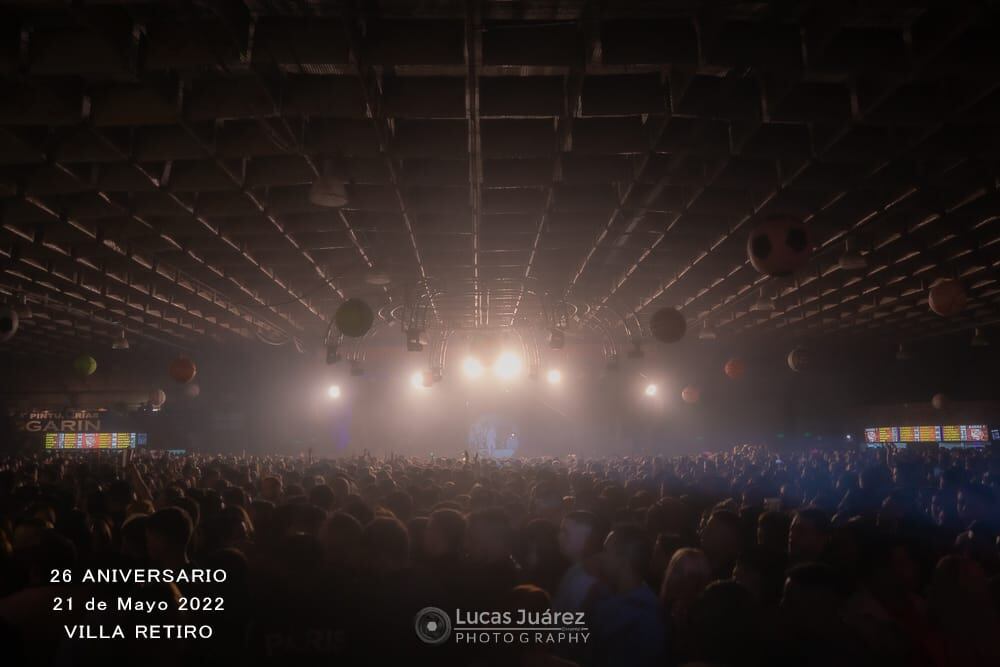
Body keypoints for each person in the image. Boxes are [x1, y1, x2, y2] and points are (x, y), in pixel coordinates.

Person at [590, 524, 666, 667]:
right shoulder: (610, 596)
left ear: (623, 560)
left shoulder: (641, 617)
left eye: (606, 551)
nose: (600, 557)